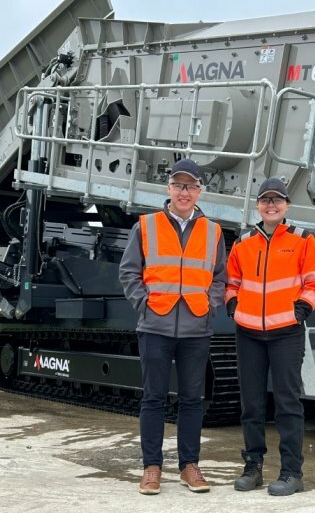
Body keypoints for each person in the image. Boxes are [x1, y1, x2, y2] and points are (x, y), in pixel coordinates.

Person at [119, 158, 227, 495]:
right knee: (153, 398)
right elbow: (129, 272)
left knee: (193, 398)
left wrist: (209, 305)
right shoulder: (146, 226)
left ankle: (189, 466)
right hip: (155, 327)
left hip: (196, 327)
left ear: (199, 191)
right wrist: (145, 303)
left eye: (191, 186)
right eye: (179, 185)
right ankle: (152, 468)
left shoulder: (213, 230)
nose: (184, 192)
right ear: (169, 189)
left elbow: (220, 276)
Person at [225, 177, 315, 496]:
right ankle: (252, 466)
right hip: (249, 333)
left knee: (287, 403)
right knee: (251, 404)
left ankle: (292, 473)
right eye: (266, 200)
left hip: (286, 333)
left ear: (286, 206)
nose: (271, 205)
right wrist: (232, 305)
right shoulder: (243, 242)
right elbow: (232, 281)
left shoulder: (302, 239)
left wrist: (302, 308)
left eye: (277, 200)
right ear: (258, 205)